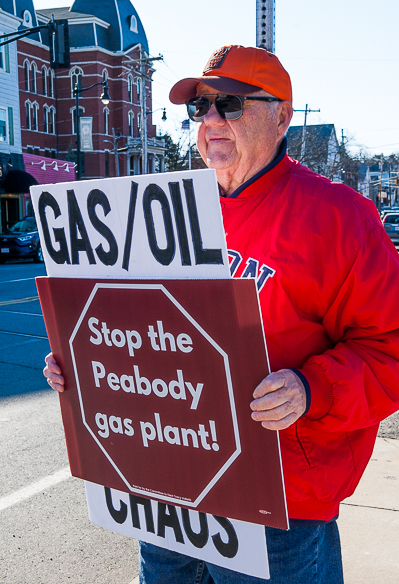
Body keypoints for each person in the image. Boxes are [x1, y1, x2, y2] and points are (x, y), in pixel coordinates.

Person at [44, 45, 399, 584]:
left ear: (281, 117)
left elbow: (388, 348)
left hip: (279, 505)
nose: (210, 120)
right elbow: (134, 328)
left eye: (230, 104)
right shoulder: (161, 209)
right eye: (199, 107)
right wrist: (84, 359)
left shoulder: (340, 217)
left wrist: (310, 388)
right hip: (166, 490)